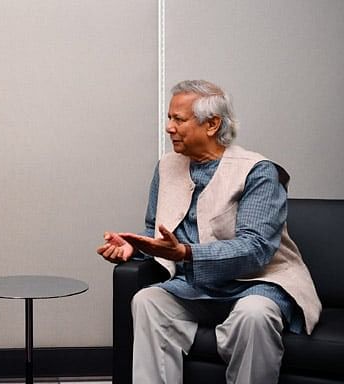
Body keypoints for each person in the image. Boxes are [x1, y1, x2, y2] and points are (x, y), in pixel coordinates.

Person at [97, 80, 321, 384]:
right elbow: (156, 230)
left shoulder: (258, 171)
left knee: (253, 316)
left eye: (178, 119)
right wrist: (134, 247)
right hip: (196, 288)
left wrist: (186, 253)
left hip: (257, 283)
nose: (169, 128)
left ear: (212, 124)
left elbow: (255, 250)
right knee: (148, 301)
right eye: (169, 118)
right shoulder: (166, 167)